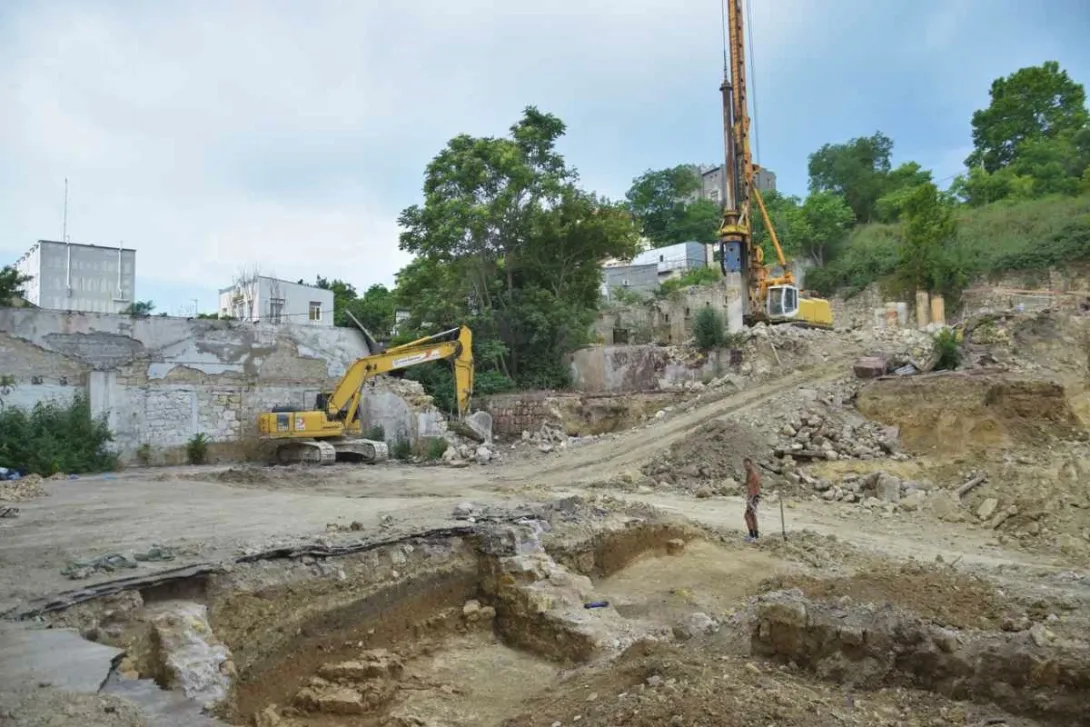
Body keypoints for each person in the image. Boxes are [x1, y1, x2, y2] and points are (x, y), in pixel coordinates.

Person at [742, 458, 761, 542]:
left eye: (747, 465)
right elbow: (748, 483)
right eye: (745, 465)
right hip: (753, 496)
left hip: (753, 496)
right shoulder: (749, 473)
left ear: (751, 464)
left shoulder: (753, 474)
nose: (746, 467)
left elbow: (755, 486)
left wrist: (751, 499)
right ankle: (756, 535)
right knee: (752, 515)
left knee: (747, 515)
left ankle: (752, 536)